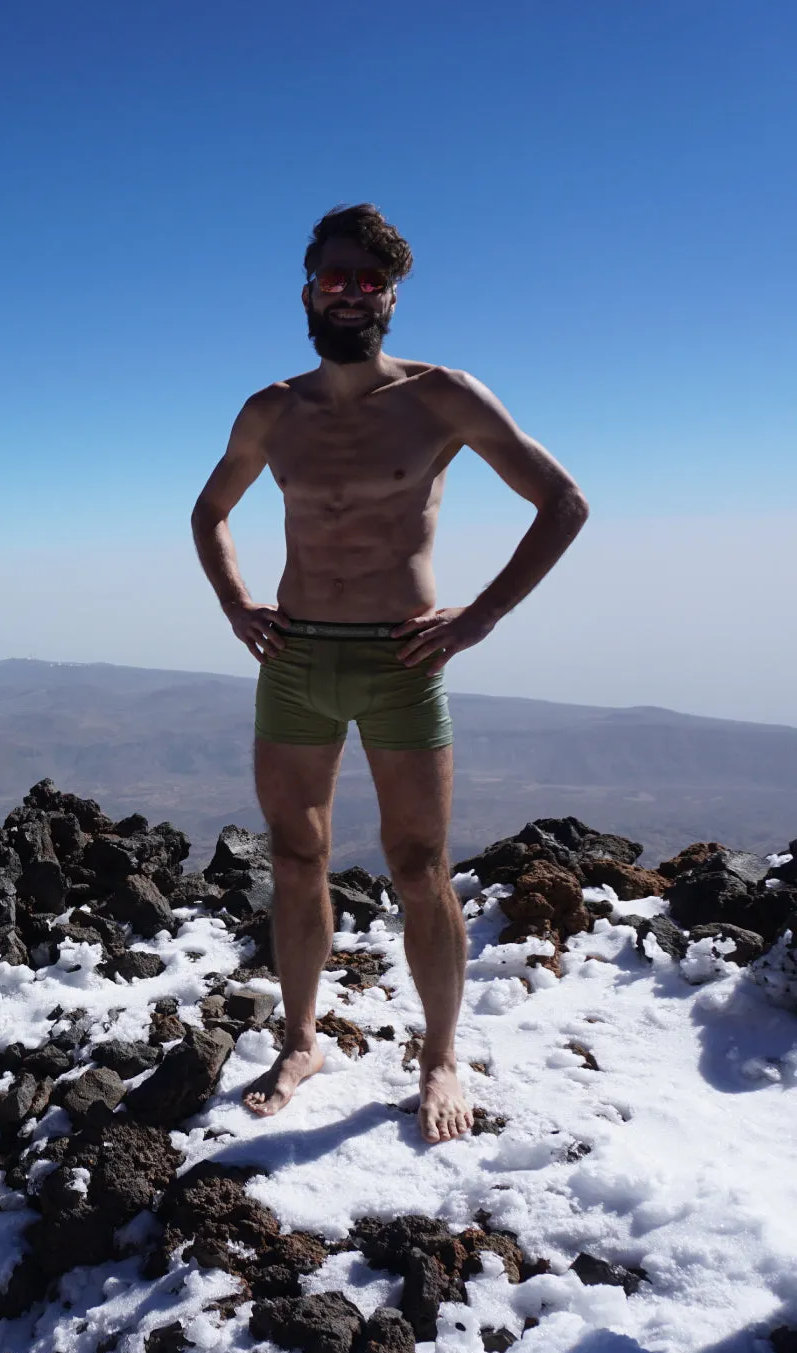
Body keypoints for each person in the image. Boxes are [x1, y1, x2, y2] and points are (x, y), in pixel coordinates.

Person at [191, 204, 589, 1143]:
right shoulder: (272, 410)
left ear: (393, 298)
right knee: (295, 859)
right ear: (308, 290)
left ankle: (442, 1055)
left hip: (404, 659)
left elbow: (562, 502)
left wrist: (482, 616)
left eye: (371, 282)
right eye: (337, 277)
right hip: (293, 660)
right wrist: (235, 601)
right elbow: (210, 510)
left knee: (418, 865)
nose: (353, 293)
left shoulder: (439, 397)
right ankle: (300, 1041)